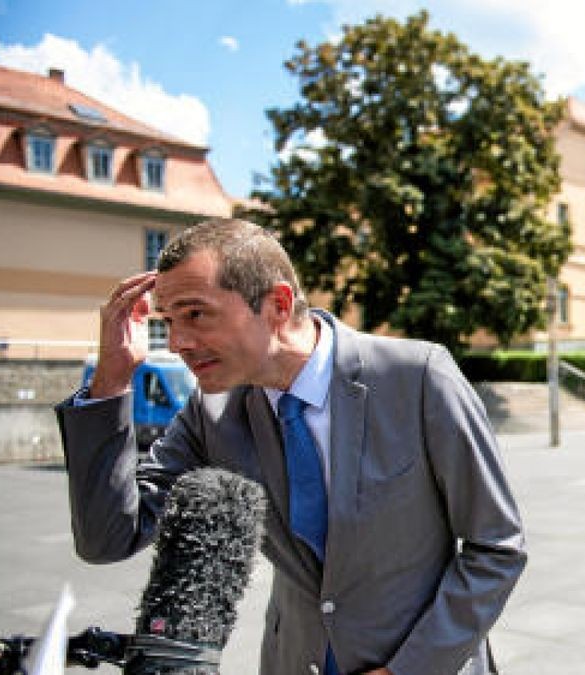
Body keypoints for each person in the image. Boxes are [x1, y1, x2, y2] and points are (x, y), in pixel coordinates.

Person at [55, 218, 526, 675]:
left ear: (278, 305)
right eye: (169, 321)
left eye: (196, 314)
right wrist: (111, 383)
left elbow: (496, 547)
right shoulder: (211, 411)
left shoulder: (419, 378)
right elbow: (108, 538)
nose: (177, 342)